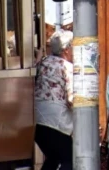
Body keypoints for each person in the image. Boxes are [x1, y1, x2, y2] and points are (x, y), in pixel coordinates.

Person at [33, 32, 74, 170]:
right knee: (69, 159)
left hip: (37, 121)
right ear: (66, 49)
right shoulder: (67, 68)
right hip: (57, 123)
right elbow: (71, 98)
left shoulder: (43, 63)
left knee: (53, 158)